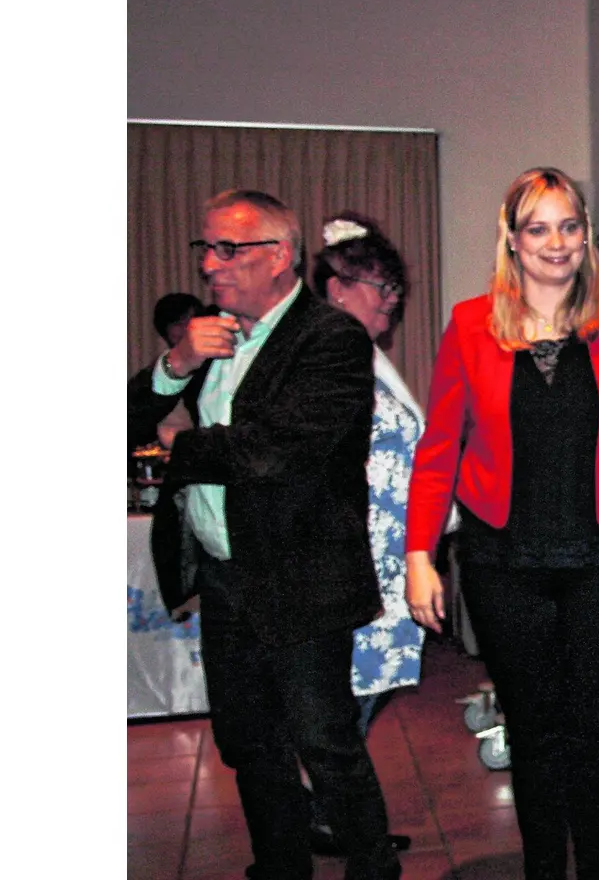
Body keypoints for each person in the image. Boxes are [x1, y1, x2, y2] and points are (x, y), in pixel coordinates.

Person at [130, 189, 400, 880]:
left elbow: (275, 452)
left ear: (281, 257)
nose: (212, 265)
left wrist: (179, 444)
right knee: (249, 744)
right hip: (227, 575)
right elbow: (129, 422)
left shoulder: (330, 337)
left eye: (229, 249)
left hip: (302, 574)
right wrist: (175, 368)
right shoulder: (208, 334)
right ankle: (280, 868)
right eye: (206, 248)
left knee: (326, 743)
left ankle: (373, 869)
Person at [405, 167, 599, 880]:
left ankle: (596, 870)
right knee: (533, 732)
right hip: (502, 563)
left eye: (569, 225)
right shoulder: (469, 326)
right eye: (537, 227)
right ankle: (544, 869)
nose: (555, 242)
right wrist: (420, 552)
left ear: (586, 237)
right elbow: (438, 448)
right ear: (512, 240)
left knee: (595, 733)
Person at [306, 212, 428, 855]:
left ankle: (329, 807)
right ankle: (330, 811)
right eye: (378, 286)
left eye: (394, 287)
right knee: (346, 694)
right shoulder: (326, 355)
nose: (392, 299)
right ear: (336, 288)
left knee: (363, 690)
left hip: (387, 559)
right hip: (355, 559)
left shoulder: (367, 357)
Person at [127, 292, 203, 448]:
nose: (186, 330)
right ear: (165, 330)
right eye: (178, 324)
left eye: (191, 323)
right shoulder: (153, 374)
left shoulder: (218, 368)